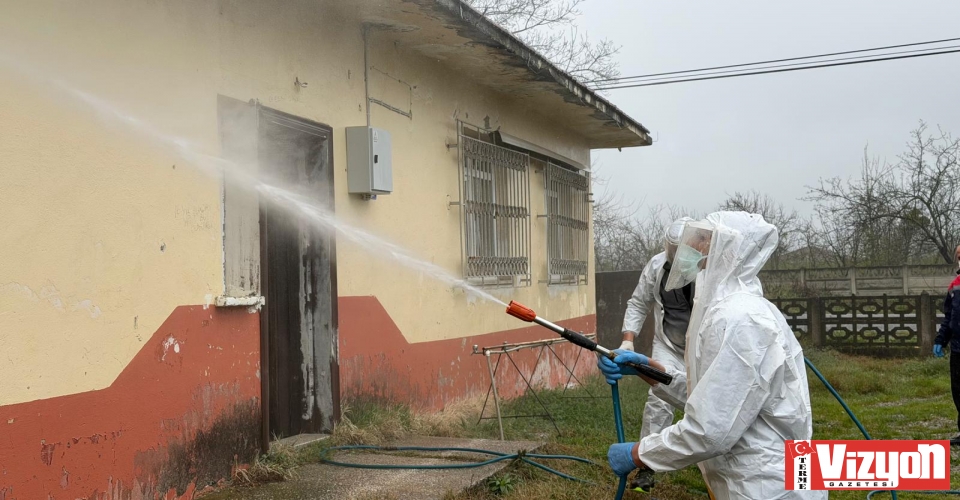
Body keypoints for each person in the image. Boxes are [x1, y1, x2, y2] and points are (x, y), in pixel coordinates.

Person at [599, 211, 825, 499]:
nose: (694, 247)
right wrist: (648, 370)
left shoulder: (741, 320)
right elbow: (715, 397)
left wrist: (638, 452)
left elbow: (709, 430)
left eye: (704, 239)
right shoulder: (733, 310)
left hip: (767, 486)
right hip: (760, 477)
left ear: (728, 249)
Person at [618, 216, 694, 492]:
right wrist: (628, 341)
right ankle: (646, 466)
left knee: (704, 402)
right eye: (670, 249)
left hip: (703, 348)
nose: (674, 255)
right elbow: (638, 303)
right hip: (669, 345)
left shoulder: (710, 273)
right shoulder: (656, 266)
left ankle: (711, 454)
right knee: (659, 401)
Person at [932, 244, 960, 442]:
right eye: (959, 255)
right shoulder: (954, 286)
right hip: (958, 349)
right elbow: (949, 317)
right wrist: (940, 340)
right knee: (958, 392)